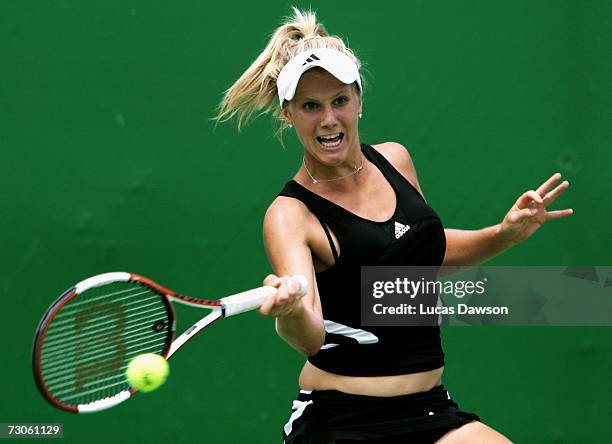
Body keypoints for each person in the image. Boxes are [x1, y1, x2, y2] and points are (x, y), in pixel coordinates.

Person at [216, 8, 572, 444]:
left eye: (340, 101)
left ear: (359, 101)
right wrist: (288, 313)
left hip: (430, 409)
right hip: (344, 421)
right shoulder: (291, 214)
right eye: (310, 106)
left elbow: (423, 262)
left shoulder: (396, 161)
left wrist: (504, 234)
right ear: (288, 114)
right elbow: (309, 335)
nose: (328, 119)